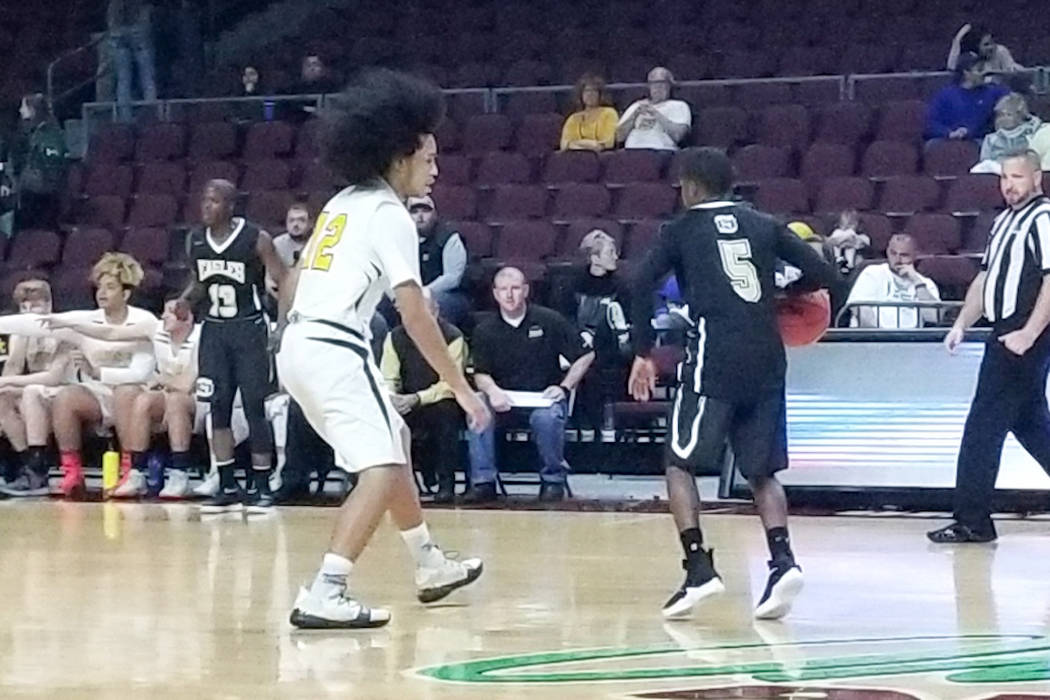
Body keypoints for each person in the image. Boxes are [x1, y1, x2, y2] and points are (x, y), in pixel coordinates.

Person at [275, 68, 490, 629]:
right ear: (399, 156)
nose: (437, 171)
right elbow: (415, 313)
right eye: (429, 160)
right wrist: (463, 390)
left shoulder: (343, 202)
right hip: (334, 345)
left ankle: (428, 562)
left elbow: (295, 277)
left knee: (392, 440)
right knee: (380, 464)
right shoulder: (391, 215)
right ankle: (327, 588)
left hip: (300, 341)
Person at [628, 147, 838, 621]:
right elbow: (826, 274)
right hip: (766, 358)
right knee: (763, 472)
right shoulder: (765, 223)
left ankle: (698, 566)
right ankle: (783, 561)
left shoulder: (681, 228)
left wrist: (643, 352)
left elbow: (639, 283)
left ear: (692, 187)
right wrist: (783, 296)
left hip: (713, 360)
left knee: (679, 463)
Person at [928, 149, 1050, 544]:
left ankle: (973, 519)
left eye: (1016, 177)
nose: (1009, 185)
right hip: (1004, 331)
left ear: (1036, 178)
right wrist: (962, 322)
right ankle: (973, 518)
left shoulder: (1043, 219)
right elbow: (986, 278)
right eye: (1004, 177)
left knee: (982, 426)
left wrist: (1029, 333)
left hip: (1022, 334)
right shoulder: (1003, 222)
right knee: (1031, 425)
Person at [0, 254, 157, 499]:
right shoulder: (86, 319)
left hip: (134, 393)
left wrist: (99, 372)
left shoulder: (145, 321)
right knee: (67, 397)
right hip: (97, 393)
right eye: (100, 287)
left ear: (126, 294)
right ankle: (72, 472)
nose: (102, 293)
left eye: (110, 287)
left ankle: (130, 471)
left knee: (126, 391)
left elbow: (139, 373)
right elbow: (36, 324)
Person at [177, 179, 287, 513]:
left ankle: (262, 480)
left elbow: (283, 280)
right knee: (217, 407)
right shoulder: (195, 239)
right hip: (214, 331)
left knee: (255, 408)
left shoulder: (256, 238)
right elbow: (199, 282)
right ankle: (225, 480)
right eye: (204, 200)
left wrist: (280, 326)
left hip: (249, 329)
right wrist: (184, 301)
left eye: (213, 201)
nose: (205, 206)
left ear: (230, 205)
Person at [46, 298, 201, 499]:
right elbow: (111, 333)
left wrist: (159, 378)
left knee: (176, 400)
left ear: (187, 317)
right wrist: (71, 324)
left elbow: (185, 385)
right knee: (143, 400)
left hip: (199, 400)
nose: (163, 316)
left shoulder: (202, 336)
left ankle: (180, 473)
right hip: (168, 393)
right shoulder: (156, 330)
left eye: (170, 312)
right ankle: (136, 473)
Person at [465, 267, 595, 504]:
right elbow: (480, 374)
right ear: (495, 294)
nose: (509, 295)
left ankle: (552, 480)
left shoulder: (550, 320)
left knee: (547, 417)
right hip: (503, 399)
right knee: (477, 406)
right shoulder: (484, 329)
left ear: (525, 290)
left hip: (542, 398)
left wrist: (564, 386)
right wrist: (493, 392)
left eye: (515, 288)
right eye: (503, 290)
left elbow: (585, 356)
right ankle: (483, 482)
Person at [380, 294, 465, 503]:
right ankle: (395, 487)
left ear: (435, 311)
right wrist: (392, 398)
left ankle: (445, 485)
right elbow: (389, 377)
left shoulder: (453, 336)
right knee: (383, 415)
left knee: (446, 412)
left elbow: (451, 383)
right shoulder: (395, 337)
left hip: (437, 399)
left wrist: (418, 398)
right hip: (405, 401)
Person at [0, 279, 73, 497]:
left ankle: (35, 469)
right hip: (36, 391)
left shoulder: (66, 330)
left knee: (29, 394)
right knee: (4, 399)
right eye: (24, 307)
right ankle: (29, 466)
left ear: (49, 304)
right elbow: (12, 369)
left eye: (35, 305)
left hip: (67, 391)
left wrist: (7, 383)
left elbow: (54, 377)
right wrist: (20, 340)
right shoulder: (22, 332)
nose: (29, 312)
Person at [556, 230, 632, 430]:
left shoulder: (622, 287)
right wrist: (581, 335)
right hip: (577, 345)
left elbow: (626, 322)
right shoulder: (571, 284)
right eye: (610, 253)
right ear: (594, 258)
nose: (616, 257)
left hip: (609, 348)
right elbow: (564, 319)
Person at [844, 234, 941, 329]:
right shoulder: (872, 273)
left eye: (904, 255)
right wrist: (879, 336)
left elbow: (934, 317)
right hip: (874, 338)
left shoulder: (925, 283)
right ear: (887, 252)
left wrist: (917, 282)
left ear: (915, 255)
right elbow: (860, 310)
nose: (897, 259)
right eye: (893, 253)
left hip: (910, 339)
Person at [407, 194, 471, 329]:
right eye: (415, 212)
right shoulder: (401, 238)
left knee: (436, 304)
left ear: (435, 213)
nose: (420, 217)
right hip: (413, 293)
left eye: (425, 211)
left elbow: (452, 277)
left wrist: (424, 293)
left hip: (451, 295)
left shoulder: (449, 237)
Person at [9, 94, 67, 232]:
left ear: (33, 110)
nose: (20, 110)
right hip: (29, 193)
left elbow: (53, 165)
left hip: (43, 196)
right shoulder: (27, 133)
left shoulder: (50, 135)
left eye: (23, 106)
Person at [924, 52, 1010, 143]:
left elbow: (1014, 101)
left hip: (981, 142)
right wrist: (949, 133)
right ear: (966, 73)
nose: (985, 73)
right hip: (949, 142)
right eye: (980, 70)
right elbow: (930, 124)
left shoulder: (993, 91)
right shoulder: (945, 95)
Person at [616, 67, 691, 151]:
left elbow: (678, 136)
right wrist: (634, 115)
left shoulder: (679, 105)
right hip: (631, 151)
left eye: (662, 83)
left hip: (660, 151)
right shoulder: (637, 105)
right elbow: (619, 137)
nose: (657, 87)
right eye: (653, 83)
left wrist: (656, 114)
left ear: (669, 86)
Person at [972, 94, 1050, 172]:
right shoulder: (990, 139)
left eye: (1008, 114)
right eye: (1000, 115)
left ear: (1020, 115)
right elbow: (985, 164)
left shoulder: (1034, 133)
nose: (1003, 118)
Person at [107, 0, 157, 121]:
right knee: (147, 76)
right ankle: (151, 113)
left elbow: (111, 24)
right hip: (139, 36)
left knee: (124, 78)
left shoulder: (115, 4)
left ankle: (125, 117)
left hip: (119, 37)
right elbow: (147, 22)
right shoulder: (141, 5)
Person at [267, 202, 313, 301]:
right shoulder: (276, 244)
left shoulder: (317, 242)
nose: (295, 225)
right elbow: (269, 280)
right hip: (281, 296)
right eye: (291, 220)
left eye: (301, 220)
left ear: (311, 223)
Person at [560, 74, 618, 152]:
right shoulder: (573, 118)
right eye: (586, 91)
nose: (590, 94)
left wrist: (575, 144)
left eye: (594, 91)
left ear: (600, 94)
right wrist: (590, 144)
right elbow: (564, 145)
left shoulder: (609, 113)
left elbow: (607, 143)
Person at [947, 24, 1023, 83]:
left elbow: (1011, 68)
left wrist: (1016, 69)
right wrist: (957, 40)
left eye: (993, 43)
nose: (991, 47)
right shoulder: (970, 58)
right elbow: (951, 67)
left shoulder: (1000, 51)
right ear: (976, 47)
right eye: (986, 45)